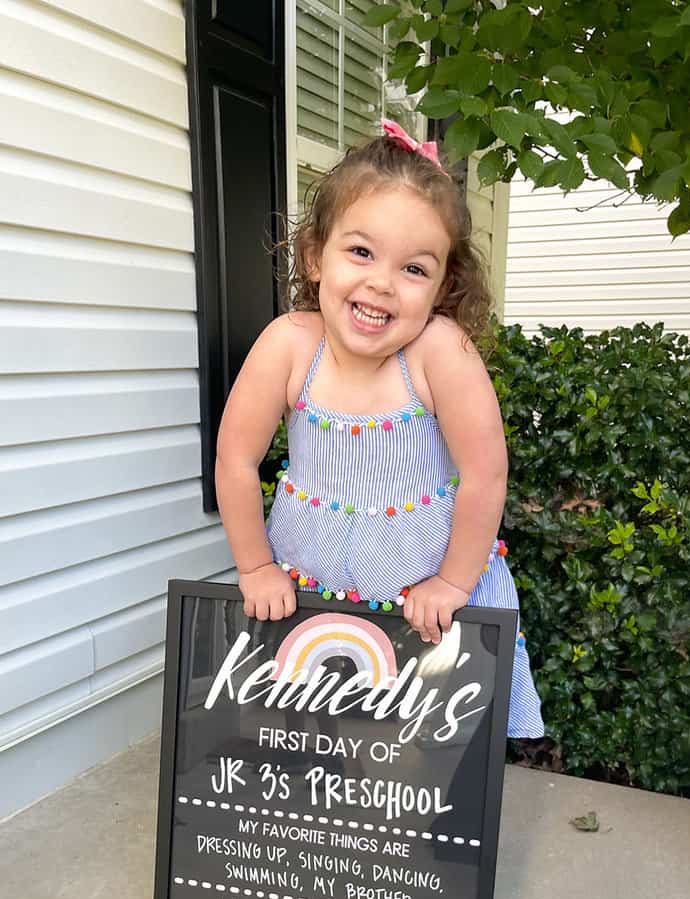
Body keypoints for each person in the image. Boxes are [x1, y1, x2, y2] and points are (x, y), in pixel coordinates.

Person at [215, 119, 544, 738]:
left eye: (414, 269)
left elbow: (484, 473)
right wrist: (256, 567)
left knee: (433, 745)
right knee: (322, 735)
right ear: (316, 256)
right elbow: (235, 459)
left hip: (432, 595)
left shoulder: (440, 351)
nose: (381, 284)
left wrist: (452, 582)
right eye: (361, 252)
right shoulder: (289, 344)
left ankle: (430, 829)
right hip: (313, 584)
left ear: (444, 284)